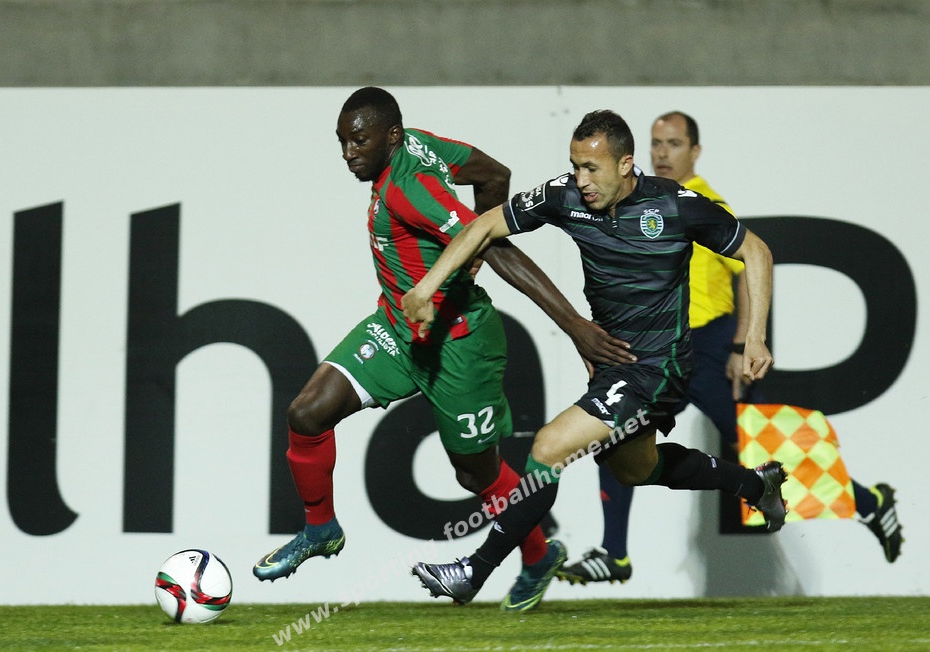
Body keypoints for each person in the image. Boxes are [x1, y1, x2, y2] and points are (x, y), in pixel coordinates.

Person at [251, 87, 632, 611]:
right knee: (307, 413)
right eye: (341, 142)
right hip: (397, 329)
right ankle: (321, 529)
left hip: (460, 345)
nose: (348, 153)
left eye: (358, 141)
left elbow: (495, 243)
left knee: (475, 473)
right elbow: (495, 174)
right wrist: (463, 253)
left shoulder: (409, 189)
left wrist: (572, 325)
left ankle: (539, 554)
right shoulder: (419, 145)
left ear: (390, 136)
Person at [406, 109, 785, 611]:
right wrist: (427, 287)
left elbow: (756, 251)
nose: (580, 180)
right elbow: (484, 227)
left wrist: (754, 336)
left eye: (592, 168)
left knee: (548, 447)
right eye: (575, 166)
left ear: (626, 164)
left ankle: (473, 571)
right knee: (636, 469)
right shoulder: (564, 196)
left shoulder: (676, 205)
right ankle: (754, 483)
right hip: (613, 366)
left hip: (659, 366)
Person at [557, 111, 903, 586]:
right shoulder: (634, 201)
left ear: (695, 151)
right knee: (617, 434)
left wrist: (742, 343)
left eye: (674, 143)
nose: (663, 153)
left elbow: (746, 268)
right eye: (657, 143)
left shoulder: (698, 201)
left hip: (709, 348)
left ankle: (870, 503)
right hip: (656, 349)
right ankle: (613, 552)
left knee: (765, 446)